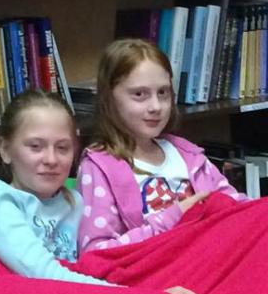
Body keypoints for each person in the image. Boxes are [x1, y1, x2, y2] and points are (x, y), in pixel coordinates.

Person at [0, 88, 197, 294]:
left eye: (62, 148)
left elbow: (108, 258)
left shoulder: (74, 201)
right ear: (4, 148)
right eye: (35, 146)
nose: (51, 159)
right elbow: (41, 273)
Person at [77, 39, 242, 254]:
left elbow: (238, 209)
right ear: (109, 99)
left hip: (210, 254)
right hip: (158, 265)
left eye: (163, 93)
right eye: (139, 94)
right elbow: (96, 252)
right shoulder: (99, 167)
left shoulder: (189, 155)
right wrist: (173, 218)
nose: (156, 107)